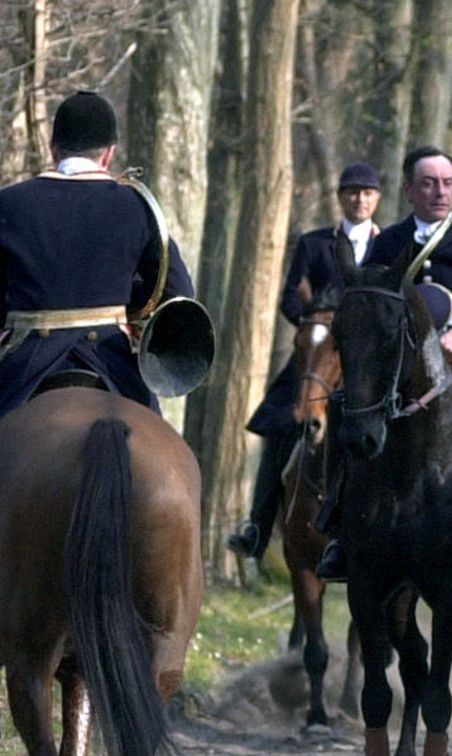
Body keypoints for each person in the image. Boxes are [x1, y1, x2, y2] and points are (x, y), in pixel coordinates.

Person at [315, 145, 452, 588]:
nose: (440, 192)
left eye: (447, 183)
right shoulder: (389, 242)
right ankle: (340, 528)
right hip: (400, 366)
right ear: (408, 190)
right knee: (346, 406)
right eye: (428, 183)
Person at [0, 91, 194, 417]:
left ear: (53, 148)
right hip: (112, 361)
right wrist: (128, 304)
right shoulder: (138, 206)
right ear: (109, 154)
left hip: (25, 363)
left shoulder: (9, 203)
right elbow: (178, 294)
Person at [227, 162, 381, 560]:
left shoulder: (390, 246)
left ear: (377, 199)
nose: (359, 199)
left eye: (367, 193)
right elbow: (290, 298)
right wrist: (314, 321)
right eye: (352, 192)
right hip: (317, 350)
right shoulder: (313, 244)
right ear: (340, 198)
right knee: (279, 423)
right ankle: (257, 527)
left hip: (365, 362)